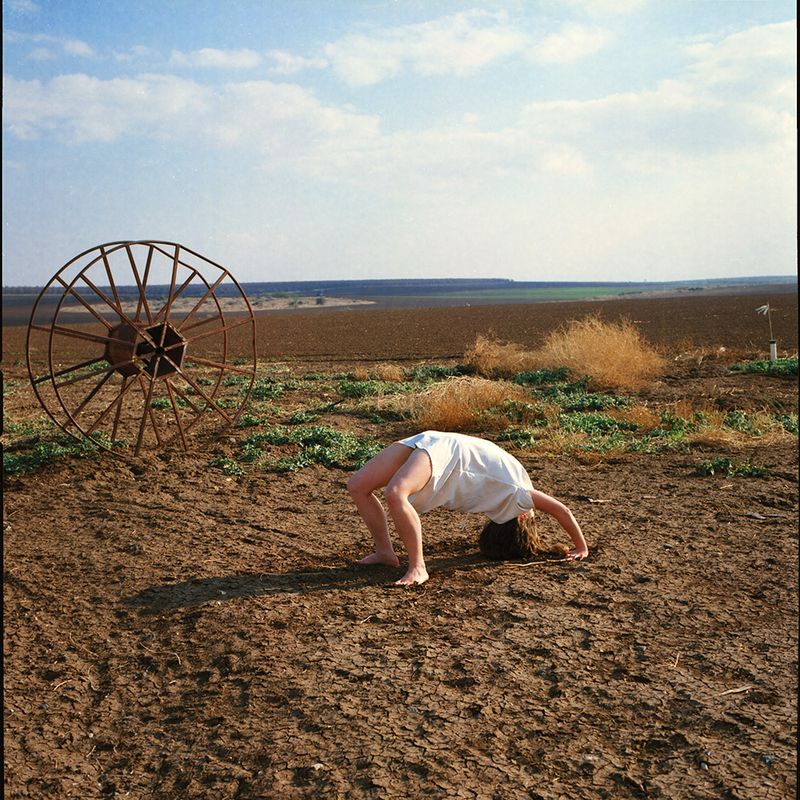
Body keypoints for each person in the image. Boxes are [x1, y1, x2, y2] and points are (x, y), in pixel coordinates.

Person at [347, 430, 588, 586]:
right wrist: (581, 546)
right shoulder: (519, 498)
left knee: (391, 492)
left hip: (446, 446)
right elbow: (561, 510)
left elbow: (560, 511)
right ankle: (389, 555)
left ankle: (416, 566)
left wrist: (579, 545)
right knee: (361, 486)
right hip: (446, 446)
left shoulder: (510, 501)